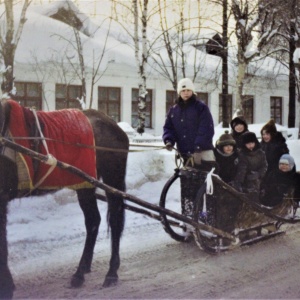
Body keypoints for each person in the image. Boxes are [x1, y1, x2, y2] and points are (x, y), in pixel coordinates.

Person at [163, 78, 215, 222]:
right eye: (183, 90)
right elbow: (169, 128)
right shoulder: (174, 110)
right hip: (185, 155)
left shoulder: (201, 108)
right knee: (187, 186)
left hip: (202, 154)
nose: (185, 93)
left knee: (201, 187)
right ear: (179, 92)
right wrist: (169, 140)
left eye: (188, 90)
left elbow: (206, 128)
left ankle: (204, 216)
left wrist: (198, 146)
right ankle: (188, 215)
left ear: (193, 91)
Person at [232, 132, 267, 202]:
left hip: (259, 179)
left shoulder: (261, 153)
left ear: (255, 143)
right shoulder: (242, 155)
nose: (250, 145)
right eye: (248, 144)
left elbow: (264, 166)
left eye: (252, 143)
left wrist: (258, 174)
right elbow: (242, 169)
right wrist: (239, 182)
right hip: (246, 179)